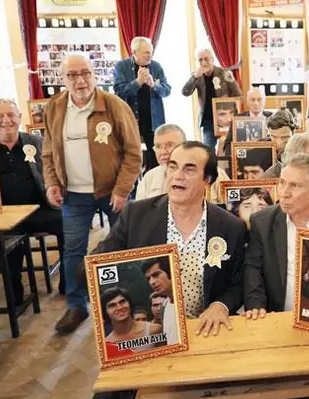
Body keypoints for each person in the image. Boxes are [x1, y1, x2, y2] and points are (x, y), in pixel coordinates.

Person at [89, 141, 246, 337]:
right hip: (156, 334)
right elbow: (97, 261)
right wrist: (93, 276)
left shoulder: (231, 226)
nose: (177, 175)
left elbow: (238, 283)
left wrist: (220, 305)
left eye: (189, 169)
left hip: (207, 329)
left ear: (207, 179)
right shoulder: (135, 214)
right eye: (173, 167)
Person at [43, 54, 142, 334]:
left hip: (113, 192)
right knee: (73, 251)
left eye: (85, 73)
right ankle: (76, 306)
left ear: (94, 74)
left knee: (124, 247)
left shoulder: (114, 105)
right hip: (73, 195)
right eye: (72, 75)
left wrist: (122, 189)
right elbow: (48, 151)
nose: (80, 81)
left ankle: (132, 302)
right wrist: (52, 182)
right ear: (63, 79)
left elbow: (133, 153)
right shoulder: (54, 108)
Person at [0, 99, 65, 301]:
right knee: (5, 246)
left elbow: (54, 171)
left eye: (11, 115)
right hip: (3, 216)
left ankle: (68, 281)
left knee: (68, 224)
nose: (6, 120)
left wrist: (55, 189)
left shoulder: (36, 142)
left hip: (40, 209)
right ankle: (15, 291)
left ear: (19, 118)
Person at [243, 154, 309, 317]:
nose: (284, 193)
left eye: (294, 185)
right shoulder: (262, 222)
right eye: (282, 183)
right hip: (276, 314)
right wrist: (255, 305)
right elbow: (253, 268)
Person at [113, 37, 171, 170]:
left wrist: (154, 85)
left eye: (151, 51)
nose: (150, 55)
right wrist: (137, 82)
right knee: (131, 157)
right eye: (146, 52)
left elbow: (167, 91)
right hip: (130, 119)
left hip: (154, 121)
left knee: (155, 158)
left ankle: (154, 181)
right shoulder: (121, 66)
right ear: (134, 52)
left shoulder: (156, 66)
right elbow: (119, 92)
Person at [135, 124, 228, 204]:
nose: (163, 152)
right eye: (158, 146)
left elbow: (231, 208)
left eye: (169, 145)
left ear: (184, 146)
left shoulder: (214, 173)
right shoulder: (149, 178)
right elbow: (139, 214)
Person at [181, 48, 243, 150]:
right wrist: (195, 77)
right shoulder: (197, 75)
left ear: (212, 60)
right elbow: (185, 92)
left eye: (206, 59)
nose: (203, 62)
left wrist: (230, 110)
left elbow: (239, 95)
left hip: (226, 119)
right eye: (200, 60)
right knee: (208, 150)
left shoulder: (225, 73)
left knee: (228, 148)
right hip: (208, 120)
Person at [102, 287, 163, 356]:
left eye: (122, 302)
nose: (119, 308)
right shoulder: (107, 345)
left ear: (130, 304)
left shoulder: (154, 330)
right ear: (105, 312)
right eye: (112, 305)